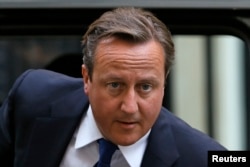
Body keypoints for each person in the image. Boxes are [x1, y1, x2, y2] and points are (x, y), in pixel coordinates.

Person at [0, 7, 226, 167]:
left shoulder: (202, 157)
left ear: (164, 83)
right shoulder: (31, 99)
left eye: (145, 87)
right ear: (86, 79)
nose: (129, 107)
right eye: (115, 85)